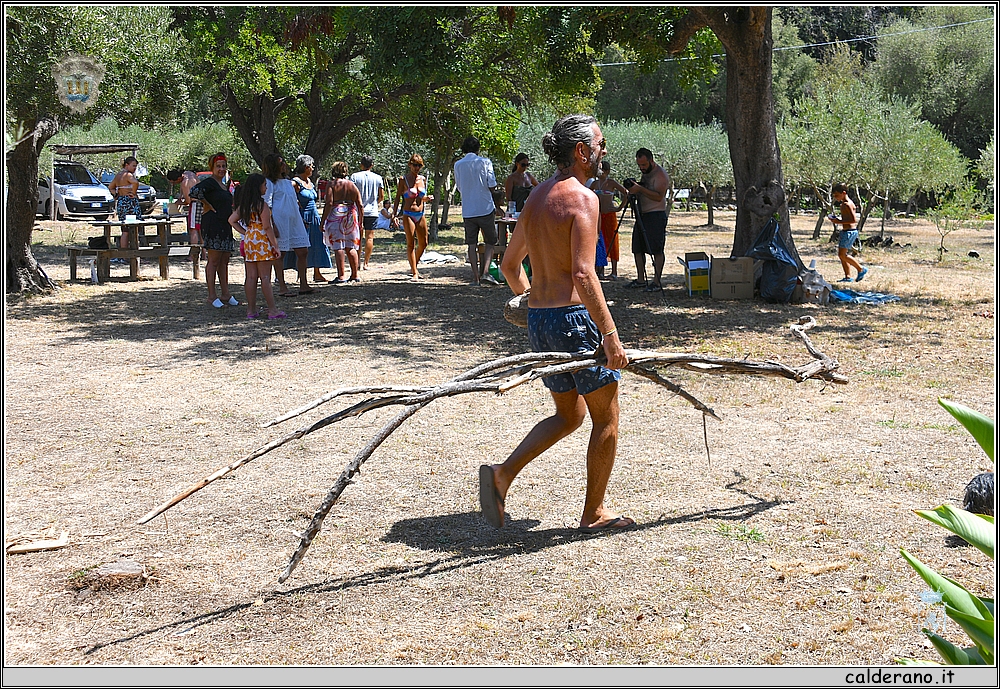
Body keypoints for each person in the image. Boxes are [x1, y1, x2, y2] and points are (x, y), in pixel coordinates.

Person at [491, 114, 633, 533]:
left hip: (542, 322)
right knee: (606, 418)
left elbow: (509, 264)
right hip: (574, 322)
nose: (604, 151)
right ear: (582, 151)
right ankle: (594, 513)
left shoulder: (536, 197)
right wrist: (610, 335)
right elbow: (584, 274)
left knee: (569, 416)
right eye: (600, 144)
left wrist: (529, 305)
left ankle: (501, 474)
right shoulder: (583, 199)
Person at [228, 174, 284, 319]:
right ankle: (272, 310)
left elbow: (232, 220)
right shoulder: (262, 205)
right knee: (265, 277)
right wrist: (275, 245)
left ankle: (251, 310)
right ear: (258, 187)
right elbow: (267, 227)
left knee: (251, 277)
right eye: (264, 185)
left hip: (249, 241)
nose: (266, 188)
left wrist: (246, 232)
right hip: (262, 241)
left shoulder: (245, 205)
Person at [189, 152, 239, 308]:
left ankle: (226, 293)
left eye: (224, 166)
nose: (221, 169)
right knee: (214, 260)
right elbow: (194, 192)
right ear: (212, 167)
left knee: (224, 260)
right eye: (218, 166)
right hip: (213, 224)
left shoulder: (223, 185)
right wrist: (206, 204)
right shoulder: (209, 183)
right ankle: (211, 295)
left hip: (225, 224)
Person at [262, 153, 312, 296]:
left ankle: (304, 285)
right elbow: (267, 205)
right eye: (280, 163)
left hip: (294, 220)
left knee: (303, 251)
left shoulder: (288, 182)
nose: (284, 165)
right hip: (280, 221)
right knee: (280, 253)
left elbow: (294, 202)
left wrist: (300, 219)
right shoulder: (269, 183)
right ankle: (282, 287)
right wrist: (272, 225)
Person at [454, 136, 500, 286]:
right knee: (490, 241)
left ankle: (475, 278)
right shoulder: (485, 162)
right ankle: (485, 272)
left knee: (471, 244)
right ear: (478, 148)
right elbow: (492, 185)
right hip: (485, 207)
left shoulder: (458, 165)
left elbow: (459, 187)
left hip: (468, 210)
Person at [625, 148, 669, 292]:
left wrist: (639, 189)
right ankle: (640, 280)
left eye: (644, 165)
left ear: (651, 161)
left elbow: (659, 197)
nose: (642, 168)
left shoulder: (660, 175)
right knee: (637, 249)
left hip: (655, 215)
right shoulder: (646, 173)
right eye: (639, 165)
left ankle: (656, 282)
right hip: (642, 215)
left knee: (656, 250)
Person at [288, 155, 333, 282]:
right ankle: (301, 274)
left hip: (314, 217)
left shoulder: (310, 182)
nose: (313, 168)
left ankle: (317, 273)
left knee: (317, 243)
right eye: (311, 166)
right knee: (302, 246)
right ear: (306, 167)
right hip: (303, 218)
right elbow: (287, 196)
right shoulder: (295, 182)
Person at [321, 161, 363, 283]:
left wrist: (323, 221)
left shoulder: (332, 184)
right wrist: (361, 221)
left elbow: (329, 203)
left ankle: (341, 276)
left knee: (338, 245)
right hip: (350, 215)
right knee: (351, 245)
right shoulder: (352, 185)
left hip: (336, 215)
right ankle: (355, 274)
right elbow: (360, 204)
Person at [393, 154, 433, 280]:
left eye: (419, 165)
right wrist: (394, 215)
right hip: (408, 214)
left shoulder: (423, 179)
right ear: (409, 165)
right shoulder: (403, 180)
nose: (417, 168)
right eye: (414, 165)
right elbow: (398, 198)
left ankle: (414, 265)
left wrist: (427, 198)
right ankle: (415, 272)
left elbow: (421, 198)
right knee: (411, 243)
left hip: (420, 214)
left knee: (424, 243)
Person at [587, 160, 628, 280]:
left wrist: (619, 208)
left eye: (602, 170)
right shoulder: (594, 184)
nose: (600, 173)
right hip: (598, 216)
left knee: (612, 240)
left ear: (607, 171)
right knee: (599, 241)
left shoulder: (611, 183)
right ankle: (600, 270)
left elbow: (626, 193)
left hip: (609, 215)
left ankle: (614, 271)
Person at [349, 156, 385, 269]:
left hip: (358, 211)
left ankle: (357, 263)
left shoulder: (354, 177)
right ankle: (366, 263)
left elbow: (351, 193)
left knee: (358, 237)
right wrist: (374, 203)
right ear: (372, 165)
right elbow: (381, 196)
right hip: (372, 212)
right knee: (369, 237)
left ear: (361, 164)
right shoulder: (378, 178)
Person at [829, 183, 868, 282]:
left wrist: (838, 222)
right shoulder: (844, 204)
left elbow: (853, 220)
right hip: (846, 231)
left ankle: (861, 269)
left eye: (837, 195)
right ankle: (848, 276)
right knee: (842, 255)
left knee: (842, 255)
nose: (835, 197)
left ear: (844, 193)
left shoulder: (847, 204)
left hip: (849, 232)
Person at [166, 168, 204, 263]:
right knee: (200, 229)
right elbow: (184, 191)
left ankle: (193, 255)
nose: (174, 184)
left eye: (174, 182)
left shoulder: (184, 183)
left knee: (193, 229)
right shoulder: (188, 174)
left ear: (178, 178)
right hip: (203, 203)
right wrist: (180, 196)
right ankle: (204, 254)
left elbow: (188, 201)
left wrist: (178, 203)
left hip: (195, 204)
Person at [110, 156, 143, 248]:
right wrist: (133, 193)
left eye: (136, 166)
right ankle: (134, 249)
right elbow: (135, 182)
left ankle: (124, 251)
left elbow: (111, 187)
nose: (135, 168)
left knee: (125, 230)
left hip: (121, 202)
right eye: (133, 166)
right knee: (134, 227)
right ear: (127, 165)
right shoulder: (128, 175)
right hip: (130, 202)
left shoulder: (118, 175)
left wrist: (117, 194)